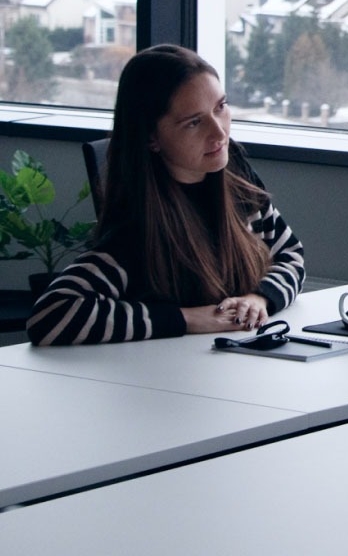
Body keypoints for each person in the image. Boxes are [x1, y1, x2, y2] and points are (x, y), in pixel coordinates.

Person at [26, 44, 305, 345]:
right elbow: (51, 315)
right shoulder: (136, 231)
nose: (220, 133)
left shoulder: (235, 178)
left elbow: (290, 255)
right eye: (194, 122)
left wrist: (258, 299)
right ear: (151, 138)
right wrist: (185, 318)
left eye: (220, 107)